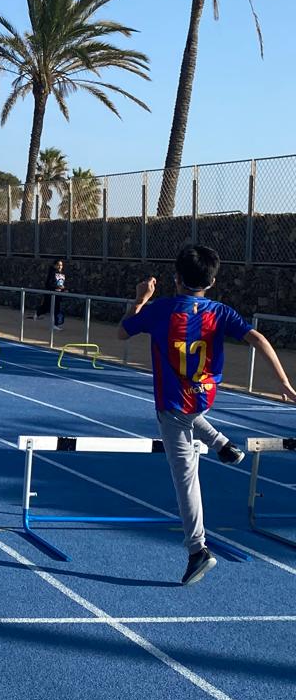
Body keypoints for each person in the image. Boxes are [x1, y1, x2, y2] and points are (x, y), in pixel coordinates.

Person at [119, 243, 296, 586]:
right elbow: (258, 339)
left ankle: (197, 549)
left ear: (176, 278)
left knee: (185, 477)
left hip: (173, 403)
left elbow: (122, 331)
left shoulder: (161, 309)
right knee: (187, 415)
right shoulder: (221, 312)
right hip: (204, 396)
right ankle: (223, 445)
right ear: (212, 282)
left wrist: (140, 299)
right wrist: (285, 383)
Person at [34, 258, 67, 327]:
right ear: (55, 265)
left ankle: (56, 324)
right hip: (51, 294)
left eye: (61, 265)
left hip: (58, 295)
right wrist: (57, 287)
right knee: (46, 308)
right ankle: (38, 313)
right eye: (58, 265)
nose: (60, 267)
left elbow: (62, 283)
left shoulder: (62, 274)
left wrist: (64, 289)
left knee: (57, 309)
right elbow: (48, 284)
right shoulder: (52, 273)